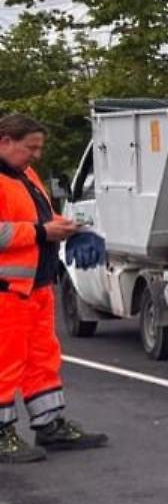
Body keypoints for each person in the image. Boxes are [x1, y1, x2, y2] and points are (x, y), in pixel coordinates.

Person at [0, 113, 107, 464]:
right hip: (8, 291)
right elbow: (15, 230)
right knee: (5, 364)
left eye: (39, 148)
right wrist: (44, 233)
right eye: (31, 148)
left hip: (36, 287)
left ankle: (49, 425)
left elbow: (43, 219)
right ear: (6, 142)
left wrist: (73, 228)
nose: (36, 156)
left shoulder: (25, 175)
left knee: (42, 360)